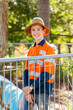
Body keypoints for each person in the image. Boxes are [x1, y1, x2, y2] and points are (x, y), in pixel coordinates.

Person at [20, 17, 56, 110]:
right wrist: (27, 90)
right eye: (33, 30)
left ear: (44, 31)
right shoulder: (30, 50)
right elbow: (26, 71)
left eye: (38, 29)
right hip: (31, 90)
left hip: (43, 90)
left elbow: (47, 74)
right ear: (31, 32)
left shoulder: (49, 49)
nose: (36, 32)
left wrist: (31, 88)